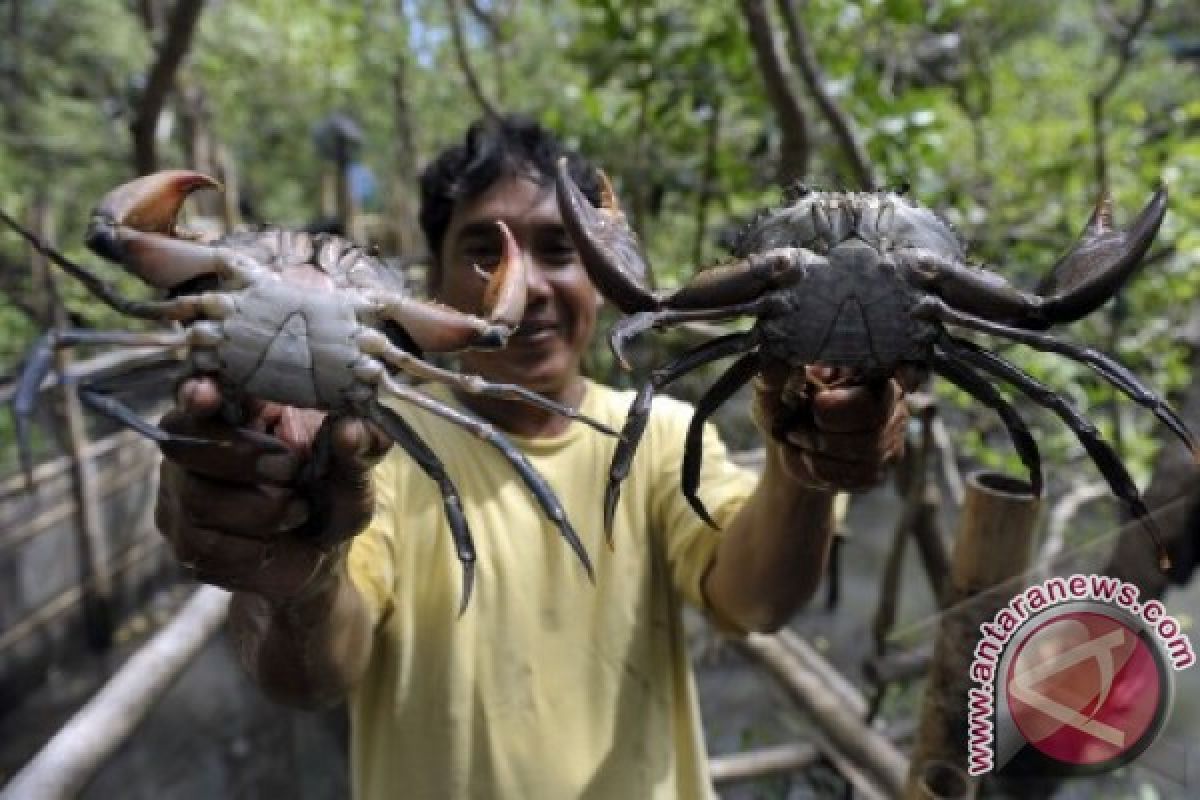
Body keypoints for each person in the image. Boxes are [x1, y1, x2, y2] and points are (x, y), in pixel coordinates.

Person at [154, 114, 910, 799]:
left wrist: (804, 466)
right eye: (486, 252)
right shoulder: (368, 447)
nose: (534, 289)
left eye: (563, 250)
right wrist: (297, 579)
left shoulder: (659, 434)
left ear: (605, 278)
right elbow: (314, 672)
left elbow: (755, 600)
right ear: (432, 286)